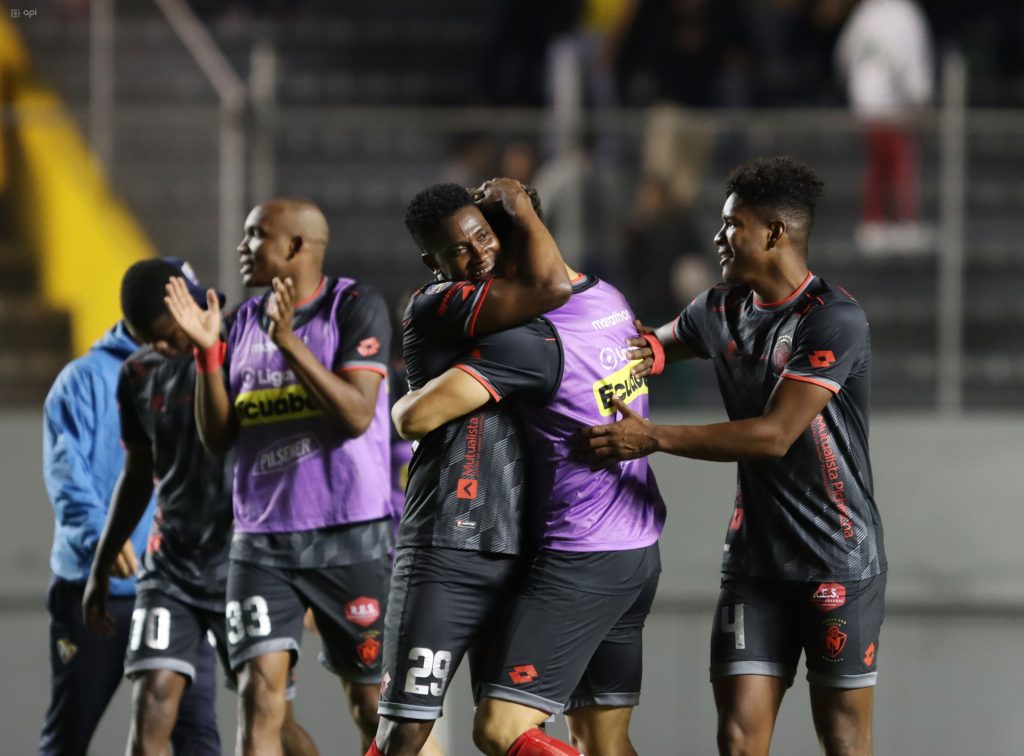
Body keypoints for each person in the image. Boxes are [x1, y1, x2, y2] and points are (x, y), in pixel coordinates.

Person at [577, 156, 886, 756]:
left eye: (732, 223)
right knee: (739, 740)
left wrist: (655, 437)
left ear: (773, 232)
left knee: (845, 740)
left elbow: (774, 435)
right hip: (753, 565)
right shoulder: (719, 309)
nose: (719, 236)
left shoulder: (834, 320)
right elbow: (647, 348)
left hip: (836, 560)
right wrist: (590, 343)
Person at [391, 217, 665, 755]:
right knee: (604, 743)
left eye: (489, 243)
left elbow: (416, 418)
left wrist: (404, 398)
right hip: (638, 548)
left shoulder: (528, 342)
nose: (480, 262)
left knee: (498, 730)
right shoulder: (608, 298)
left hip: (580, 554)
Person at [165, 198, 394, 754]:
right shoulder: (240, 321)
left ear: (294, 246)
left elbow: (356, 415)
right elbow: (218, 438)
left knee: (373, 708)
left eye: (255, 236)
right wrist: (207, 359)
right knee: (259, 699)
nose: (243, 248)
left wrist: (288, 342)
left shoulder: (355, 306)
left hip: (351, 537)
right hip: (262, 543)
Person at [367, 179, 571, 756]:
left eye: (483, 236)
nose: (477, 253)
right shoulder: (436, 305)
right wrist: (525, 211)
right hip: (445, 545)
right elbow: (554, 283)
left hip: (522, 547)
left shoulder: (513, 302)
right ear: (433, 261)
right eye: (459, 248)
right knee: (406, 728)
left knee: (510, 732)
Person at [82, 258, 317, 755]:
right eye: (150, 338)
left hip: (249, 565)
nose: (164, 347)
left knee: (274, 725)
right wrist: (101, 566)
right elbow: (137, 475)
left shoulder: (252, 348)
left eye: (168, 335)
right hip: (172, 569)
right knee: (151, 707)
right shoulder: (138, 373)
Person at [38, 259, 220, 756]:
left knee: (198, 735)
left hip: (178, 585)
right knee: (70, 732)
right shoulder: (86, 379)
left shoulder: (204, 366)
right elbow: (68, 476)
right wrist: (102, 538)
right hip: (102, 590)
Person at [835, 0, 934, 254]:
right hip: (892, 104)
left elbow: (844, 56)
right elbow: (910, 57)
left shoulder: (866, 12)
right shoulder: (905, 13)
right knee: (902, 161)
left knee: (879, 163)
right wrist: (920, 96)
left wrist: (855, 88)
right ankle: (903, 223)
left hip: (866, 101)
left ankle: (874, 222)